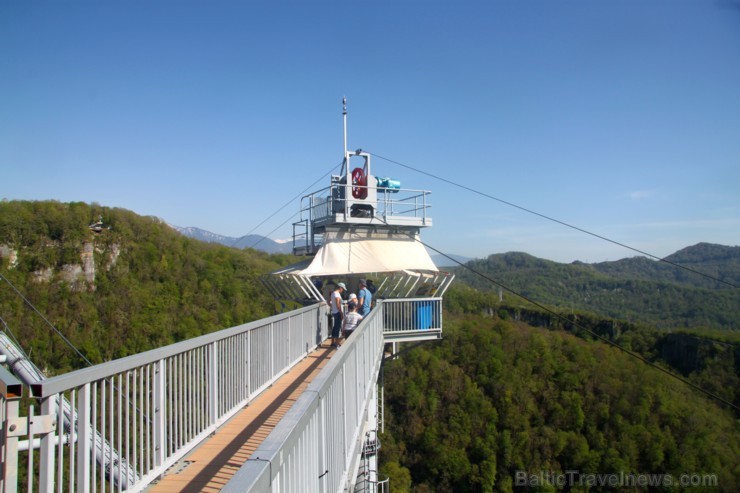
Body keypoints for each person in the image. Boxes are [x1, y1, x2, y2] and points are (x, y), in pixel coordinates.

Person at [329, 282, 346, 348]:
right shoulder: (337, 295)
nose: (343, 290)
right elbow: (338, 304)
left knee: (335, 327)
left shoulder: (333, 293)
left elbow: (328, 301)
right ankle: (336, 342)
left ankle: (333, 342)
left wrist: (332, 307)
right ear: (340, 288)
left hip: (334, 312)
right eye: (343, 289)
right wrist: (341, 313)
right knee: (337, 327)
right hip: (337, 312)